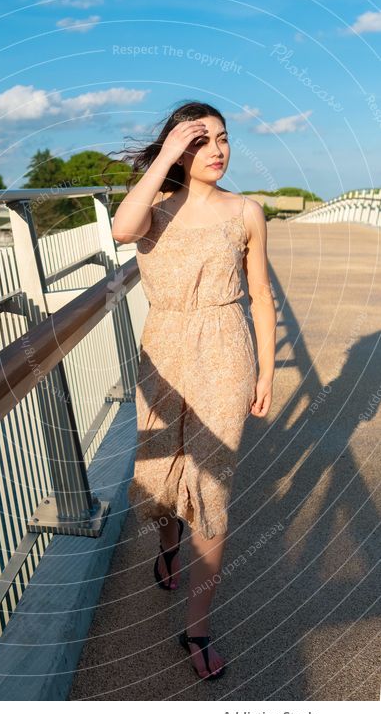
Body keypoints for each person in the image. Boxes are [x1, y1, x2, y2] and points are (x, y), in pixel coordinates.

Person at [111, 101, 276, 680]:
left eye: (223, 139)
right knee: (160, 477)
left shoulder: (247, 211)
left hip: (226, 349)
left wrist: (266, 372)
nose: (218, 150)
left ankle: (197, 627)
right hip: (165, 347)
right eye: (201, 141)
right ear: (178, 150)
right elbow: (120, 230)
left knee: (210, 482)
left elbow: (260, 294)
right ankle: (166, 544)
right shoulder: (153, 209)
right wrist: (165, 159)